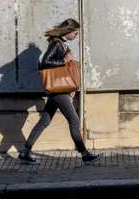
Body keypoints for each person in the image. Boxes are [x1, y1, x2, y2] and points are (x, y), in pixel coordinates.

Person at [19, 18, 100, 165]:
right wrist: (64, 60)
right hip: (57, 90)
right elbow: (45, 63)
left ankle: (25, 152)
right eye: (75, 33)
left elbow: (64, 71)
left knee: (44, 121)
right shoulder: (57, 43)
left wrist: (71, 87)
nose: (76, 36)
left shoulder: (62, 44)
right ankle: (84, 153)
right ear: (68, 31)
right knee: (74, 120)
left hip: (59, 89)